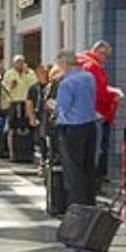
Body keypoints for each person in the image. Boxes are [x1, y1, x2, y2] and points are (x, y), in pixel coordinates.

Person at [54, 50, 98, 207]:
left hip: (71, 127)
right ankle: (89, 201)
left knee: (73, 168)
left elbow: (63, 109)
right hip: (90, 124)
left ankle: (76, 204)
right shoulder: (89, 77)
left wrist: (54, 107)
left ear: (64, 64)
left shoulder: (66, 83)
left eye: (59, 65)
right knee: (88, 165)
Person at [79, 41, 123, 184]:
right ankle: (93, 180)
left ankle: (93, 179)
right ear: (96, 51)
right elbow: (98, 91)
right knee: (96, 150)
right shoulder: (93, 66)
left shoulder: (85, 63)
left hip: (88, 113)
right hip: (97, 113)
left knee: (94, 149)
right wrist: (112, 95)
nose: (105, 57)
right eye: (103, 54)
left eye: (107, 55)